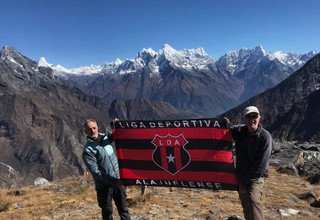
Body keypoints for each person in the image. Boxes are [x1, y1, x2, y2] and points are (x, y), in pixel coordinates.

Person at [226, 106, 273, 220]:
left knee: (253, 200)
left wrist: (244, 182)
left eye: (254, 116)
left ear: (259, 118)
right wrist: (223, 124)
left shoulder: (265, 137)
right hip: (242, 176)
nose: (252, 119)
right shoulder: (239, 131)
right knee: (246, 204)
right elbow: (225, 132)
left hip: (256, 177)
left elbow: (261, 166)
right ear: (245, 119)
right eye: (248, 117)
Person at [82, 119, 131, 220]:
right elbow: (96, 172)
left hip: (118, 180)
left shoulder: (105, 137)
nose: (93, 130)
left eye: (94, 127)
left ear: (97, 127)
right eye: (89, 129)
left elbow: (115, 134)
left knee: (123, 209)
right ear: (85, 131)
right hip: (104, 186)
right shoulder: (88, 151)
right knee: (107, 212)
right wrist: (114, 181)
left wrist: (115, 125)